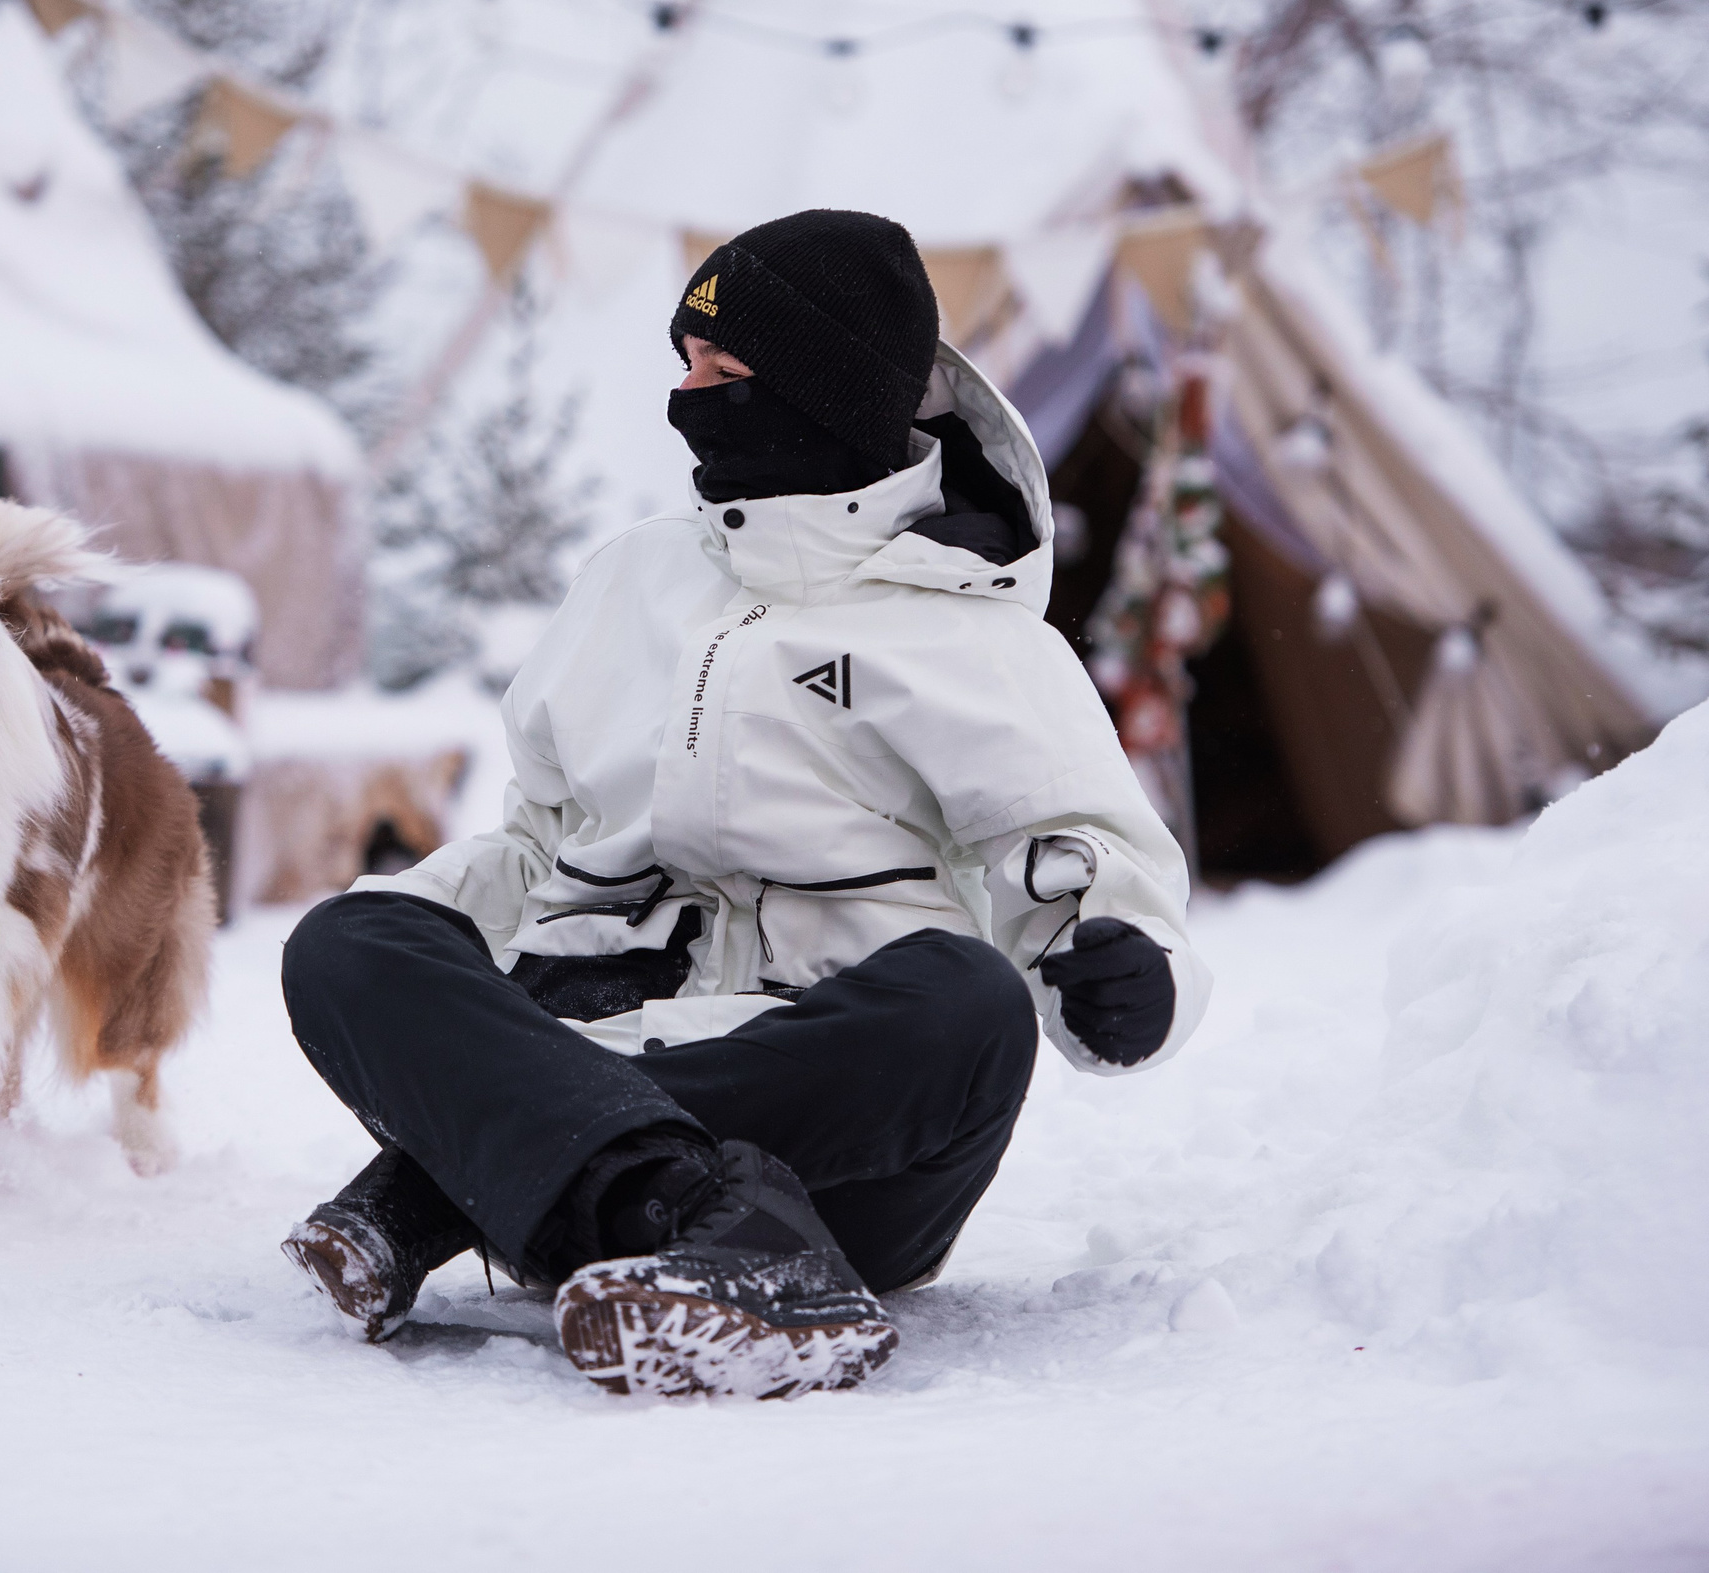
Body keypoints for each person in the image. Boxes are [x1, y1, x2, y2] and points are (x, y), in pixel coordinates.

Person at [279, 210, 1208, 1399]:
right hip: (594, 1043)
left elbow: (1082, 865)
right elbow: (535, 844)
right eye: (685, 362)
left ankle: (444, 1189)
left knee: (967, 1000)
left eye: (725, 370)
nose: (687, 395)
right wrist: (418, 942)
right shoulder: (631, 578)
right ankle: (679, 1208)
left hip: (845, 1156)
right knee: (346, 940)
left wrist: (1133, 968)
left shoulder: (970, 631)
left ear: (826, 393)